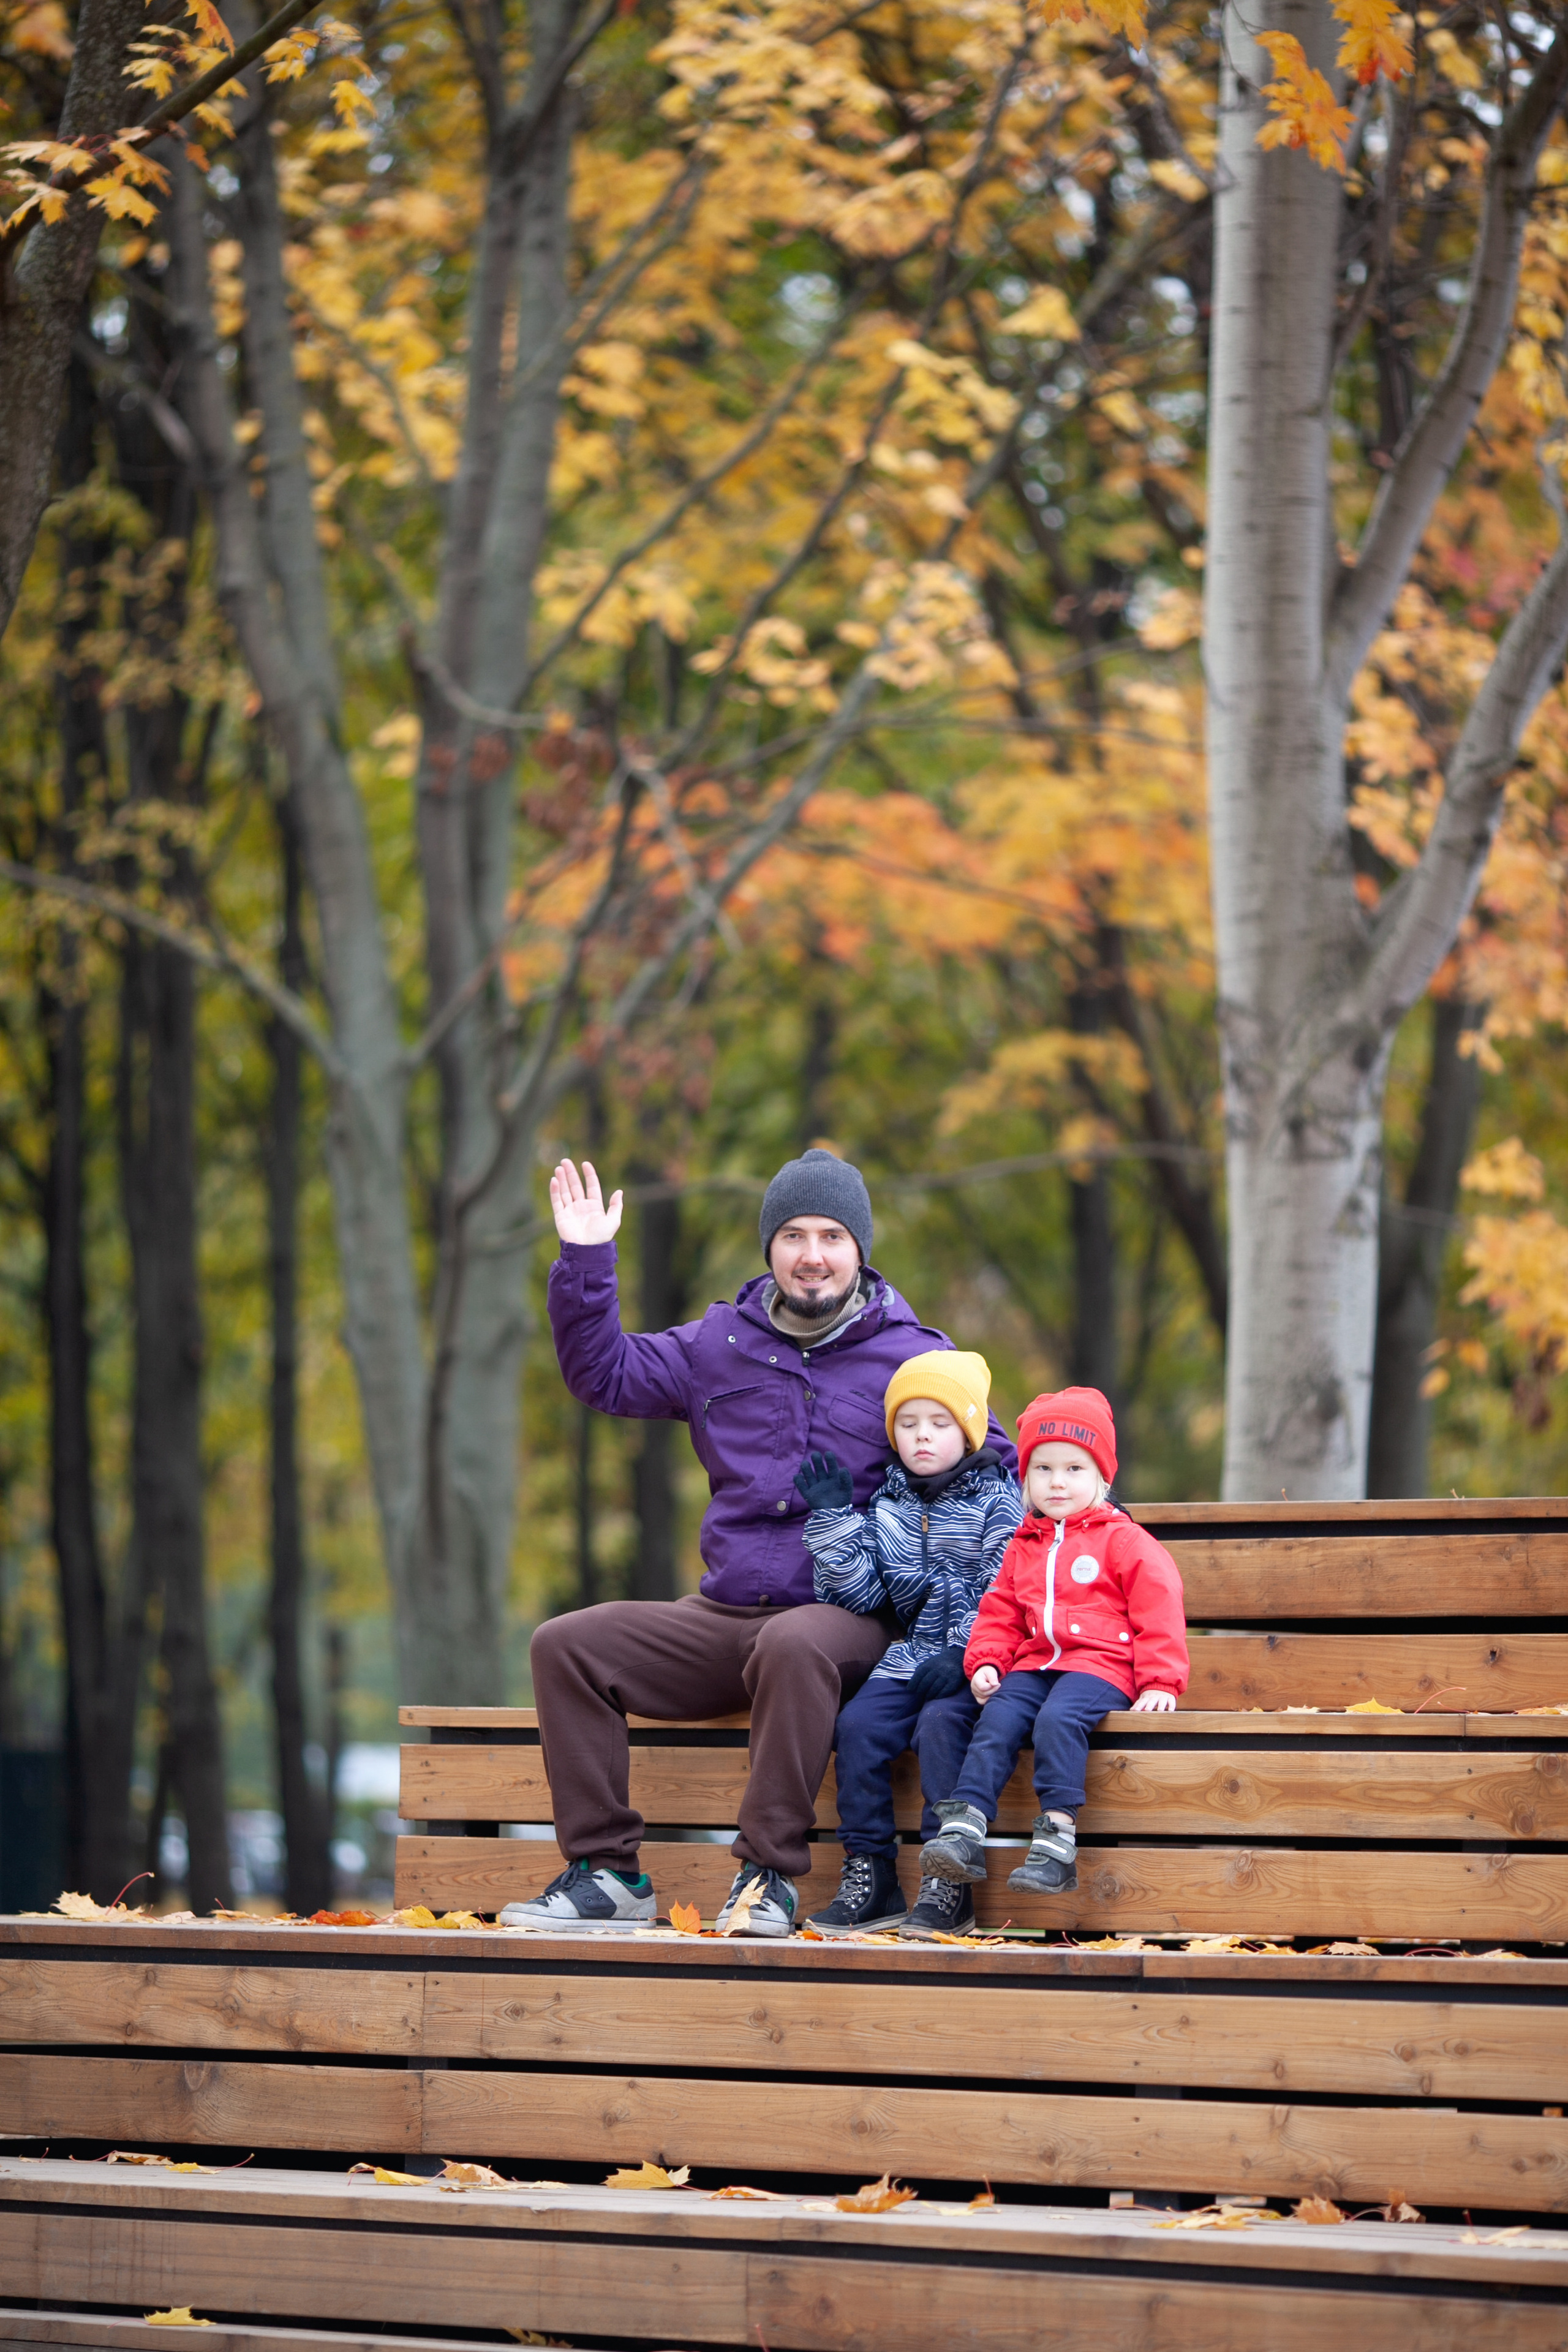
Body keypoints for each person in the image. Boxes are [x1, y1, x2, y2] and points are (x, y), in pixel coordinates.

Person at [502, 1148, 1012, 1937]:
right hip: (727, 1612)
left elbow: (998, 1470)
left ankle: (766, 1875)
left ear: (859, 1251)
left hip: (851, 1617)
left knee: (794, 1641)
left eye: (833, 1237)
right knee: (566, 1645)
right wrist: (586, 1259)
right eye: (795, 1236)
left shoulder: (914, 1356)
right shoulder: (718, 1345)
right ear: (770, 1247)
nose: (813, 1256)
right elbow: (601, 1373)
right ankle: (606, 1873)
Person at [921, 1387, 1187, 1899]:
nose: (1057, 1482)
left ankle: (1056, 1840)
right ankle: (966, 1825)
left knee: (1057, 1720)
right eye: (1043, 1469)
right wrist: (987, 1662)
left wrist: (1161, 1681)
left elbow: (1160, 1608)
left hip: (1102, 1668)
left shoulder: (1124, 1541)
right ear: (1026, 1477)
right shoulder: (1025, 1544)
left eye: (1073, 1469)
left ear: (1102, 1477)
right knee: (996, 1716)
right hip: (1036, 1664)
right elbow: (1000, 1612)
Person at [798, 1349, 1022, 1940]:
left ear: (969, 1429)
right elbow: (864, 1596)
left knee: (941, 1727)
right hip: (911, 1656)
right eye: (908, 1424)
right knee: (859, 1728)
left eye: (940, 1424)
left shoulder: (999, 1501)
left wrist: (967, 1652)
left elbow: (1007, 1587)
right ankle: (871, 1873)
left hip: (983, 1661)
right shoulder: (889, 1505)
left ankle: (948, 1883)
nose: (922, 1437)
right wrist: (834, 1525)